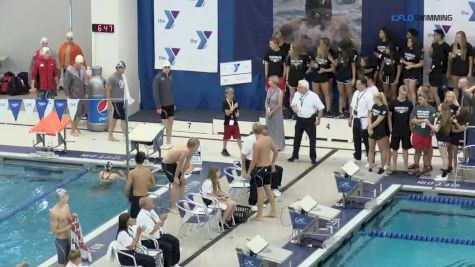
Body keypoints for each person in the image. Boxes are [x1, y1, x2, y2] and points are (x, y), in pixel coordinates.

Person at [241, 123, 283, 211]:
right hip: (252, 162)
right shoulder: (250, 140)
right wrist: (245, 170)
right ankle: (252, 203)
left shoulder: (266, 139)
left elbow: (275, 152)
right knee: (255, 183)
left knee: (265, 181)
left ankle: (270, 191)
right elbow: (244, 155)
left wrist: (272, 163)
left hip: (263, 163)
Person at [136, 197, 181, 267]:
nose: (152, 202)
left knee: (175, 241)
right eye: (150, 201)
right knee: (167, 248)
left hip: (159, 235)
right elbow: (151, 232)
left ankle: (174, 263)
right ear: (145, 205)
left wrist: (162, 220)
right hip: (150, 240)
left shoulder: (151, 211)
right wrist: (160, 220)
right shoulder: (142, 217)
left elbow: (159, 225)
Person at [289, 80, 325, 164]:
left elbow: (321, 108)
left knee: (312, 140)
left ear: (304, 88)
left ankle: (313, 157)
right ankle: (295, 155)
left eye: (299, 87)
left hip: (310, 120)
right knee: (297, 138)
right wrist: (294, 108)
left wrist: (318, 119)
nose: (297, 88)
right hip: (299, 119)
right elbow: (293, 104)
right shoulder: (297, 94)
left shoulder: (313, 96)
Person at [161, 138, 200, 212]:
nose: (198, 148)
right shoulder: (185, 151)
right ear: (193, 146)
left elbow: (187, 163)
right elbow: (180, 165)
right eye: (197, 147)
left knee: (182, 183)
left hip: (173, 163)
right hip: (166, 165)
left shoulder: (191, 150)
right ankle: (172, 207)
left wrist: (182, 176)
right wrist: (176, 177)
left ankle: (182, 203)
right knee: (175, 185)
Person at [409, 93, 436, 176]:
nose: (419, 101)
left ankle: (425, 169)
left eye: (421, 99)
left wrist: (418, 120)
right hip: (417, 133)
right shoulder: (416, 108)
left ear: (426, 99)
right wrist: (422, 120)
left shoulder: (431, 109)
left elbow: (429, 121)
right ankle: (416, 168)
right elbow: (412, 120)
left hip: (427, 134)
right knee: (417, 151)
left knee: (426, 152)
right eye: (418, 99)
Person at [388, 85, 413, 173]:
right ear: (399, 92)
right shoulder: (393, 103)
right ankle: (394, 166)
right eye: (403, 94)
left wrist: (411, 127)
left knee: (405, 149)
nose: (404, 96)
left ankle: (405, 167)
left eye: (406, 95)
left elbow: (411, 117)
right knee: (394, 149)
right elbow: (389, 117)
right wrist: (390, 128)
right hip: (395, 129)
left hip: (406, 129)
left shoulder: (409, 104)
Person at [349, 77, 374, 162]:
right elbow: (352, 106)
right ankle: (357, 155)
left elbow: (371, 109)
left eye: (358, 84)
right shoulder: (356, 93)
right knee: (356, 138)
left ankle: (370, 158)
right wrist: (350, 118)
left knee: (366, 140)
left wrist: (369, 122)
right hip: (356, 118)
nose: (356, 86)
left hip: (364, 119)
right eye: (356, 84)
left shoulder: (369, 94)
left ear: (363, 84)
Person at [124, 152, 156, 219]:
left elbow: (127, 187)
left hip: (136, 200)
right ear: (143, 160)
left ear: (135, 160)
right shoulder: (148, 171)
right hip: (145, 197)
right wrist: (145, 186)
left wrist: (127, 195)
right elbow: (153, 183)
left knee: (134, 219)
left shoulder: (132, 173)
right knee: (145, 218)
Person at [427, 103, 453, 181]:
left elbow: (437, 129)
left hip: (442, 139)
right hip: (446, 138)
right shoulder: (447, 117)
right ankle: (444, 174)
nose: (438, 106)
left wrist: (428, 124)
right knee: (445, 156)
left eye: (440, 106)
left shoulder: (441, 117)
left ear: (442, 108)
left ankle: (444, 175)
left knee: (444, 157)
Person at [153, 60, 175, 148]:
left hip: (171, 104)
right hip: (163, 106)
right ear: (162, 68)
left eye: (169, 67)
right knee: (164, 126)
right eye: (166, 67)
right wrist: (158, 106)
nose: (167, 69)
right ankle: (160, 142)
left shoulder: (170, 76)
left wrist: (174, 103)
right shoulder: (157, 78)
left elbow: (171, 91)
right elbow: (155, 93)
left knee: (170, 125)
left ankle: (169, 142)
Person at [63, 55, 87, 136]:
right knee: (74, 112)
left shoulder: (83, 69)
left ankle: (76, 126)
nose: (79, 65)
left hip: (82, 94)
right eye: (77, 63)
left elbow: (85, 82)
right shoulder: (69, 71)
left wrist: (86, 92)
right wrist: (67, 94)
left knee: (83, 111)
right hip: (73, 94)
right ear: (75, 62)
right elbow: (66, 84)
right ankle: (72, 131)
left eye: (80, 64)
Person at [367, 92, 390, 174]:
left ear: (378, 99)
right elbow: (369, 116)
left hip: (380, 130)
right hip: (372, 130)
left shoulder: (384, 108)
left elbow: (378, 120)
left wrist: (371, 127)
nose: (373, 100)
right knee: (371, 149)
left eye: (374, 98)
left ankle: (382, 167)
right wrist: (369, 127)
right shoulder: (374, 106)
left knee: (382, 150)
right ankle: (370, 166)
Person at [311, 42, 335, 116]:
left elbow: (333, 68)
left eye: (320, 48)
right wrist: (314, 64)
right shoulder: (315, 56)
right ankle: (317, 110)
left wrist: (324, 70)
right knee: (315, 95)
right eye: (318, 48)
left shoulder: (327, 56)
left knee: (326, 94)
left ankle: (328, 111)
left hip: (324, 77)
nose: (319, 49)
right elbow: (311, 64)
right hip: (316, 77)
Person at [49, 188, 72, 267]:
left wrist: (75, 219)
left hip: (69, 238)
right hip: (61, 242)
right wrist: (68, 227)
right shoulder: (54, 212)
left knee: (70, 261)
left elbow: (70, 220)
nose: (68, 197)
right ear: (60, 198)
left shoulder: (66, 206)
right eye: (66, 196)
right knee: (62, 264)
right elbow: (54, 231)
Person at [335, 38, 358, 118]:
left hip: (348, 76)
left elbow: (353, 66)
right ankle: (340, 111)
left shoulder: (352, 53)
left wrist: (354, 78)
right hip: (339, 76)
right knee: (341, 94)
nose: (339, 47)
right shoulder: (338, 53)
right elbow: (336, 64)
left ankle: (351, 112)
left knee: (350, 94)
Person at [448, 31, 473, 101]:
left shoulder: (468, 46)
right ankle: (455, 105)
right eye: (456, 37)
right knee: (455, 88)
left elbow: (471, 60)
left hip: (464, 72)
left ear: (463, 38)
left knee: (464, 89)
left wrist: (470, 72)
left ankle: (465, 105)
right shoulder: (453, 45)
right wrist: (450, 57)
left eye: (458, 37)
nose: (456, 39)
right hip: (454, 71)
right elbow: (450, 61)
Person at [428, 29, 450, 107]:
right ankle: (437, 108)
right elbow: (430, 55)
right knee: (432, 91)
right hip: (433, 71)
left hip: (441, 71)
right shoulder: (434, 45)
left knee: (442, 90)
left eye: (435, 35)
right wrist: (432, 45)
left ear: (440, 35)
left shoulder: (446, 46)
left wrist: (448, 71)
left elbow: (449, 60)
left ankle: (442, 108)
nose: (434, 36)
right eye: (433, 35)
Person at [106, 60, 127, 141]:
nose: (122, 70)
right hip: (116, 101)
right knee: (123, 118)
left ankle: (110, 135)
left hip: (122, 101)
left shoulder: (122, 76)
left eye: (123, 68)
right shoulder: (112, 77)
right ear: (117, 68)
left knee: (115, 119)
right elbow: (107, 90)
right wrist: (109, 103)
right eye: (121, 68)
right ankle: (126, 136)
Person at [285, 42, 311, 106]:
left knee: (301, 95)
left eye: (291, 47)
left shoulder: (304, 56)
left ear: (296, 48)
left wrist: (307, 71)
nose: (290, 48)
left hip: (301, 78)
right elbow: (287, 68)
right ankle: (292, 109)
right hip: (292, 78)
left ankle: (301, 109)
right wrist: (287, 79)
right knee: (292, 95)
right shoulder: (289, 56)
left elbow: (309, 64)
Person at [401, 36, 424, 104]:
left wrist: (412, 66)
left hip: (414, 72)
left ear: (413, 42)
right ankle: (409, 104)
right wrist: (405, 62)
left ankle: (413, 105)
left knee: (411, 90)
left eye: (409, 41)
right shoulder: (405, 49)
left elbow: (422, 63)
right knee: (407, 90)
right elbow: (401, 58)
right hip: (406, 71)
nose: (408, 42)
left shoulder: (418, 51)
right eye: (407, 41)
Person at [265, 76, 285, 151]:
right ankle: (269, 144)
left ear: (274, 82)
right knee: (269, 127)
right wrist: (267, 109)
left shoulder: (280, 91)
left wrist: (272, 112)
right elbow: (266, 101)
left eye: (270, 81)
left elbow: (279, 104)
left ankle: (278, 145)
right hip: (269, 111)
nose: (268, 82)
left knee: (277, 128)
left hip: (276, 112)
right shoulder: (269, 90)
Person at [221, 87, 242, 157]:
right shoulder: (225, 102)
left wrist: (237, 114)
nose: (231, 95)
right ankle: (224, 149)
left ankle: (242, 151)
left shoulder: (235, 101)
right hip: (227, 122)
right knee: (226, 136)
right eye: (229, 94)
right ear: (226, 94)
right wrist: (233, 108)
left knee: (238, 136)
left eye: (232, 94)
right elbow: (227, 113)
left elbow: (237, 111)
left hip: (234, 122)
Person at [450, 107, 471, 173]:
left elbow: (464, 129)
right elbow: (453, 130)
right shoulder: (454, 118)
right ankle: (455, 169)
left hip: (464, 138)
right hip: (455, 138)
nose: (457, 111)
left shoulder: (467, 119)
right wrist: (461, 129)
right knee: (455, 154)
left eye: (458, 110)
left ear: (462, 112)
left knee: (466, 155)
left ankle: (466, 168)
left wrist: (456, 124)